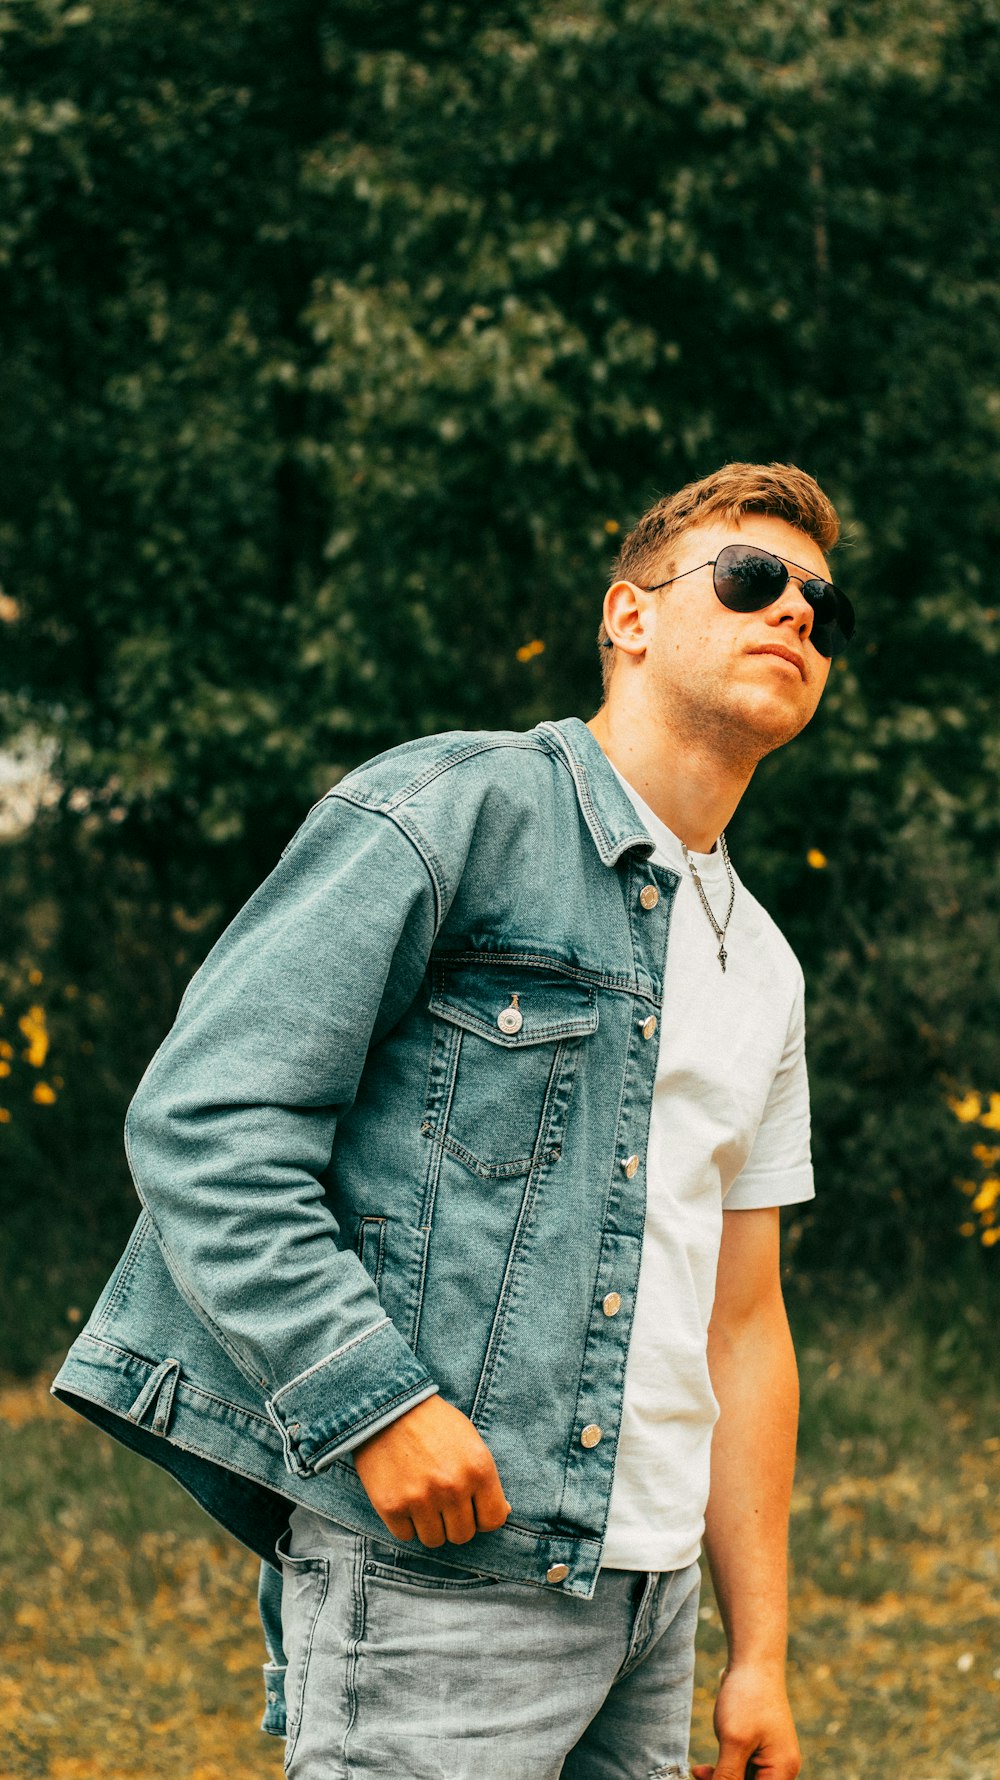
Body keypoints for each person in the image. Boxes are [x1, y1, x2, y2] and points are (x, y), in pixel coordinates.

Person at [51, 460, 854, 1780]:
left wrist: (758, 1651)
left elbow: (746, 1319)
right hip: (443, 1574)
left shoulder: (765, 962)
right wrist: (374, 1406)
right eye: (754, 580)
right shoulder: (455, 812)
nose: (797, 616)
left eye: (826, 606)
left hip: (652, 1607)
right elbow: (208, 1120)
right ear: (630, 616)